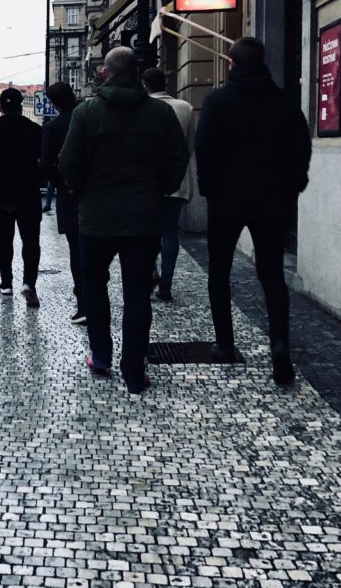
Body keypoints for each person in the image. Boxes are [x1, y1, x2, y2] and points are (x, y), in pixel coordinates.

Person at [59, 47, 188, 394]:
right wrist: (159, 191)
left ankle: (100, 356)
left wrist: (82, 191)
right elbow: (178, 160)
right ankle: (133, 372)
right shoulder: (160, 113)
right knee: (137, 295)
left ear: (106, 73)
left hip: (95, 219)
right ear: (137, 73)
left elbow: (68, 162)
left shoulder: (87, 112)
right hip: (142, 218)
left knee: (94, 287)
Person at [195, 36, 311, 385]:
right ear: (264, 62)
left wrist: (210, 189)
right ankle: (279, 349)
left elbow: (205, 150)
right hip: (271, 201)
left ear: (231, 64)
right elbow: (301, 149)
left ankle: (225, 344)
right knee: (272, 276)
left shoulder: (217, 101)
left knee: (219, 273)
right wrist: (293, 188)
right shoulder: (284, 103)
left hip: (226, 201)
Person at [0, 87, 43, 307]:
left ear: (1, 107)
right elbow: (46, 159)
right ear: (21, 107)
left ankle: (6, 283)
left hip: (1, 196)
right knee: (30, 241)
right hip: (28, 195)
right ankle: (29, 283)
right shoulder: (34, 130)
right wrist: (37, 181)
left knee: (4, 240)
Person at [143, 68, 195, 302]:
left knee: (145, 232)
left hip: (147, 182)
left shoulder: (142, 106)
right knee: (169, 233)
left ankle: (150, 270)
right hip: (177, 180)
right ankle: (167, 283)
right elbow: (189, 147)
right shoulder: (185, 107)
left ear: (145, 84)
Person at [39, 81, 86, 324]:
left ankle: (83, 303)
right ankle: (96, 298)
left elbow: (45, 164)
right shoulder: (91, 116)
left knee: (76, 249)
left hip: (69, 195)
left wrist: (61, 184)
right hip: (96, 191)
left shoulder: (53, 127)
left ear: (53, 103)